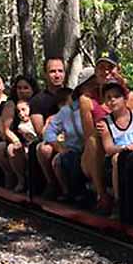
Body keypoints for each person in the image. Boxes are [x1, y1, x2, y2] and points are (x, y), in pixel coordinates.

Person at [78, 50, 133, 214]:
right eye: (101, 68)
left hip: (123, 145)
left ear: (117, 69)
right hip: (97, 151)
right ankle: (102, 195)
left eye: (110, 67)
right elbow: (89, 135)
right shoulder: (86, 99)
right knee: (93, 141)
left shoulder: (130, 97)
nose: (106, 72)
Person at [97, 80, 133, 218]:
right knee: (117, 159)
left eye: (116, 96)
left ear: (125, 99)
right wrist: (123, 148)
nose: (112, 100)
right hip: (117, 158)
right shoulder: (105, 123)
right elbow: (108, 148)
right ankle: (118, 200)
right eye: (108, 98)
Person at [43, 68, 94, 202]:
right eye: (90, 85)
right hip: (76, 152)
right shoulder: (67, 111)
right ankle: (73, 193)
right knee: (65, 159)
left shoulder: (105, 104)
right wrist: (61, 148)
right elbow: (49, 132)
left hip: (100, 150)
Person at [33, 57, 69, 198]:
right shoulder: (38, 100)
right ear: (45, 74)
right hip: (51, 139)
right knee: (44, 149)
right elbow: (41, 132)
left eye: (60, 71)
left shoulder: (72, 95)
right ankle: (52, 184)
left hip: (73, 137)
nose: (57, 75)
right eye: (52, 71)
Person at [0, 75, 37, 192]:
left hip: (34, 140)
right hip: (17, 140)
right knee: (9, 149)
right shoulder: (10, 104)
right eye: (19, 88)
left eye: (25, 88)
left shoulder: (37, 102)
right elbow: (5, 129)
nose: (22, 91)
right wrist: (16, 140)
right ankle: (20, 180)